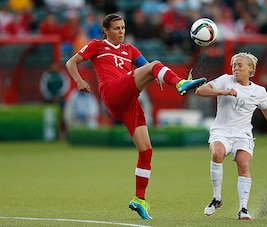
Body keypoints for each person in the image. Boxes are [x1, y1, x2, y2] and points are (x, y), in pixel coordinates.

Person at [65, 13, 206, 220]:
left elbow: (147, 66)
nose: (121, 32)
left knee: (146, 150)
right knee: (156, 64)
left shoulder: (130, 50)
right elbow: (71, 62)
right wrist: (78, 81)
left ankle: (139, 200)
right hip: (112, 92)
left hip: (129, 101)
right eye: (116, 28)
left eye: (123, 28)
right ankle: (180, 83)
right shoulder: (96, 45)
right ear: (106, 31)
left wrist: (155, 74)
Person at [195, 52, 267, 220]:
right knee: (217, 153)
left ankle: (243, 209)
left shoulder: (259, 91)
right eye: (234, 65)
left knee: (243, 164)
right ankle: (217, 198)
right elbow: (200, 91)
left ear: (250, 69)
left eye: (239, 65)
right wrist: (223, 92)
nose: (235, 68)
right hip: (221, 131)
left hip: (242, 134)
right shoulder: (225, 80)